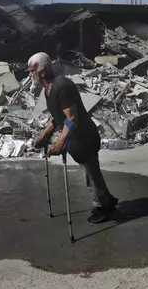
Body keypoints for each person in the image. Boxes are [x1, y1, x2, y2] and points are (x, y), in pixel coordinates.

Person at [29, 52, 119, 223]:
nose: (29, 75)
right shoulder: (48, 90)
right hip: (75, 139)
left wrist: (60, 142)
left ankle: (105, 206)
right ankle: (106, 199)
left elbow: (71, 118)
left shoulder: (62, 86)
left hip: (84, 136)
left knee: (91, 174)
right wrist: (44, 136)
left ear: (41, 72)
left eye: (31, 71)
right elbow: (56, 116)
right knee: (89, 172)